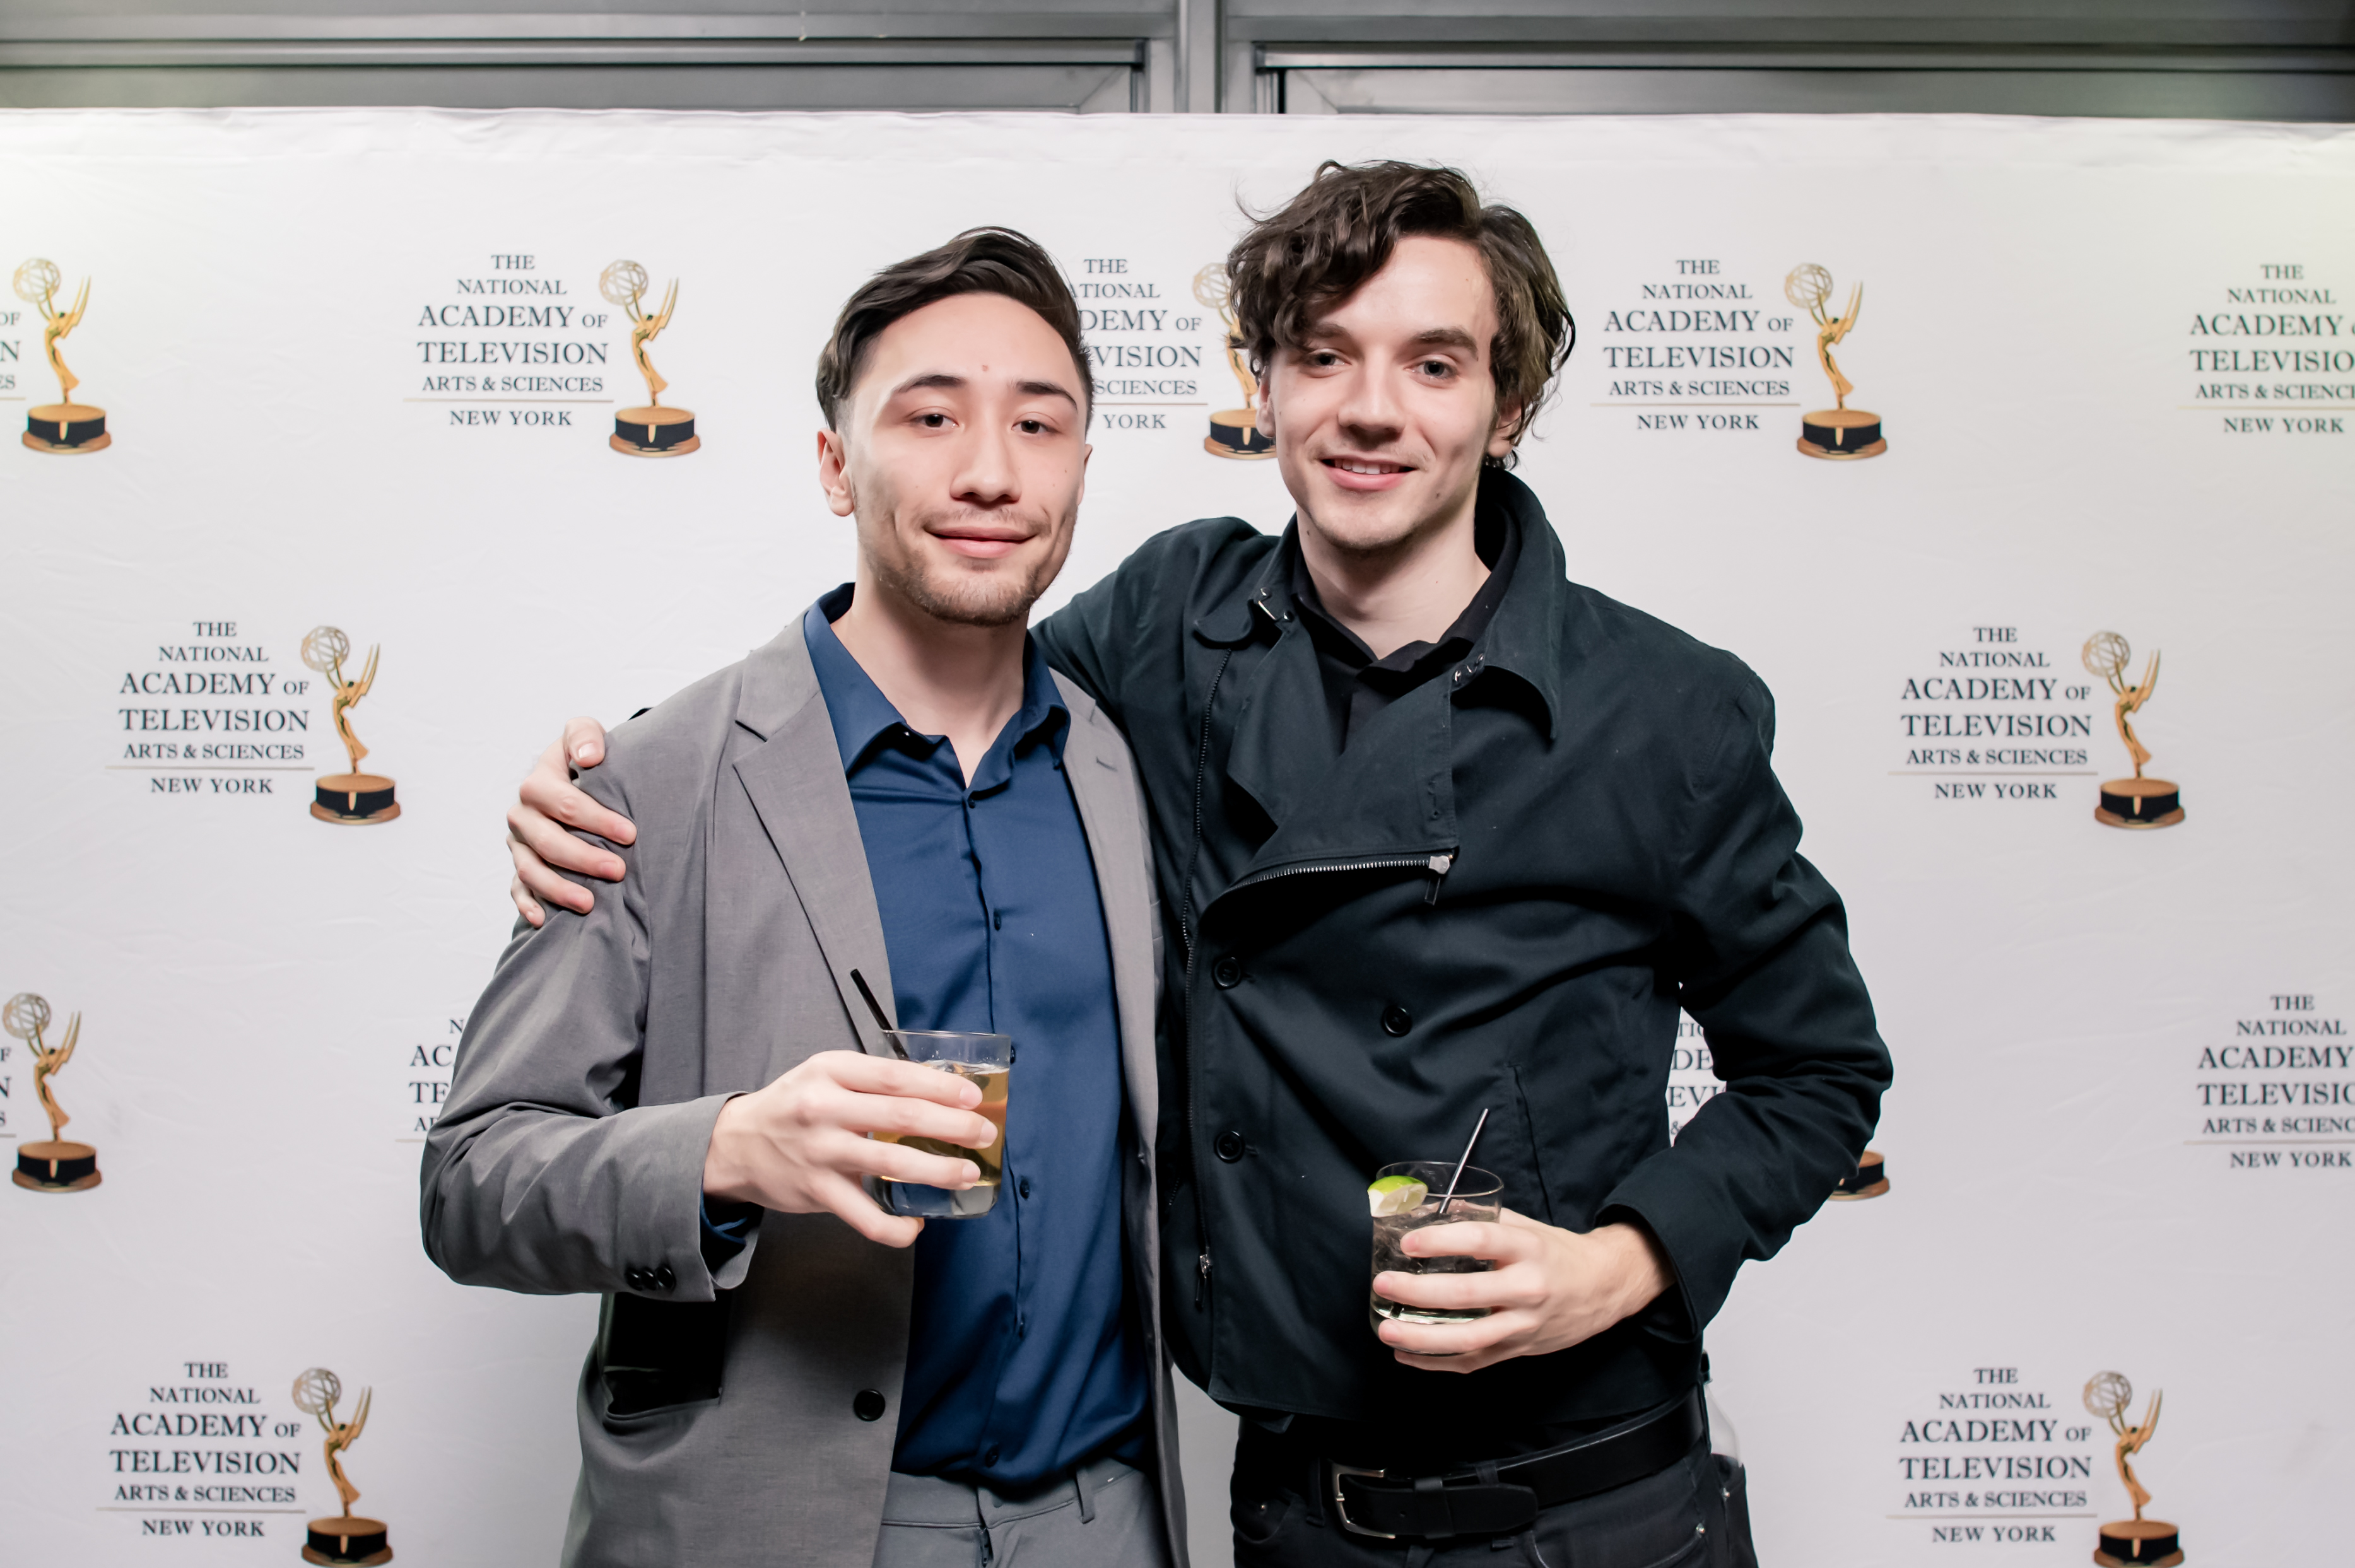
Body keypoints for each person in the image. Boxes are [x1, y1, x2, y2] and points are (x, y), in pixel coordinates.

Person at [506, 163, 1891, 1566]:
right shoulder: (1169, 625)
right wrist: (632, 774)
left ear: (1508, 404)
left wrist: (1620, 1264)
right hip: (1289, 1508)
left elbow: (1820, 1069)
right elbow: (931, 666)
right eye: (1324, 355)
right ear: (1263, 386)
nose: (1370, 408)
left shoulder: (1661, 709)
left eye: (1433, 364)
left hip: (1588, 1506)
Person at [423, 229, 1187, 1568]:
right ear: (835, 463)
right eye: (930, 416)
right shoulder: (652, 779)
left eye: (1038, 423)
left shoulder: (1128, 763)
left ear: (1080, 462)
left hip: (1103, 1520)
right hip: (780, 1525)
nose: (990, 469)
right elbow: (472, 1181)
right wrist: (725, 1152)